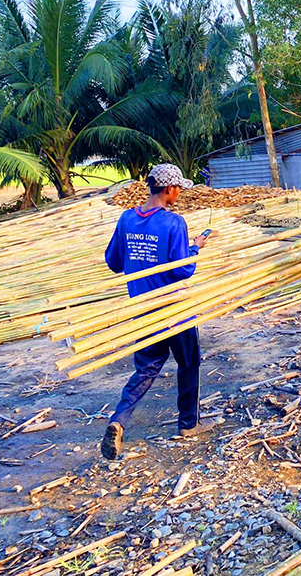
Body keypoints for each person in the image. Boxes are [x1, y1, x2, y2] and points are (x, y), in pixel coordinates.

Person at [100, 164, 213, 461]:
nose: (179, 194)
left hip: (143, 309)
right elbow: (183, 269)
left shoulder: (127, 219)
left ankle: (118, 419)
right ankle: (189, 425)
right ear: (169, 189)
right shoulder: (174, 223)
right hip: (175, 308)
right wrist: (194, 248)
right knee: (189, 362)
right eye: (178, 189)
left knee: (147, 367)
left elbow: (113, 262)